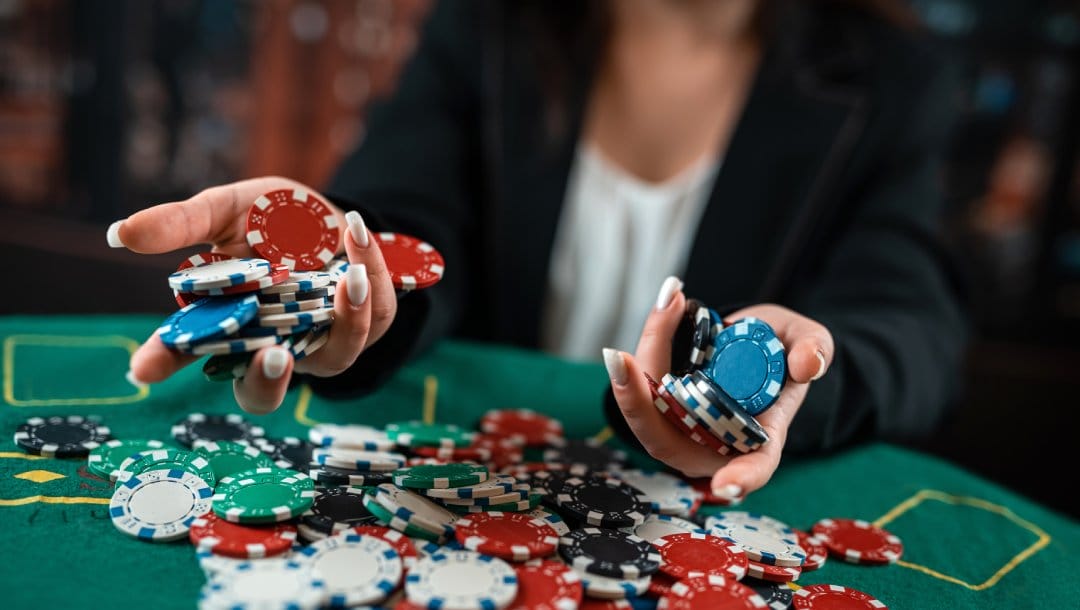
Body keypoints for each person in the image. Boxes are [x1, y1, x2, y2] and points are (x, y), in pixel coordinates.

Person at [105, 0, 966, 502]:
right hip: (480, 487)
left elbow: (912, 326)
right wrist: (343, 266)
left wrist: (795, 364)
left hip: (706, 509)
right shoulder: (489, 22)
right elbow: (408, 225)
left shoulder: (899, 80)